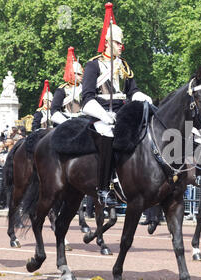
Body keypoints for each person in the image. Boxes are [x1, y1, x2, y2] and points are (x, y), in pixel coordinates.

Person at [81, 3, 152, 207]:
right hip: (100, 113)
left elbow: (132, 91)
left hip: (123, 112)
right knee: (108, 134)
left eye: (121, 44)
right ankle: (104, 187)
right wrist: (103, 115)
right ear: (108, 43)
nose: (122, 47)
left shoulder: (124, 65)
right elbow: (86, 97)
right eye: (118, 43)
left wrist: (143, 97)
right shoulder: (93, 65)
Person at [50, 47, 84, 126]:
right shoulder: (62, 90)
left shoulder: (84, 88)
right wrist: (66, 123)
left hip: (83, 120)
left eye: (81, 74)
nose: (80, 76)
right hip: (66, 121)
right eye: (77, 74)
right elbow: (54, 111)